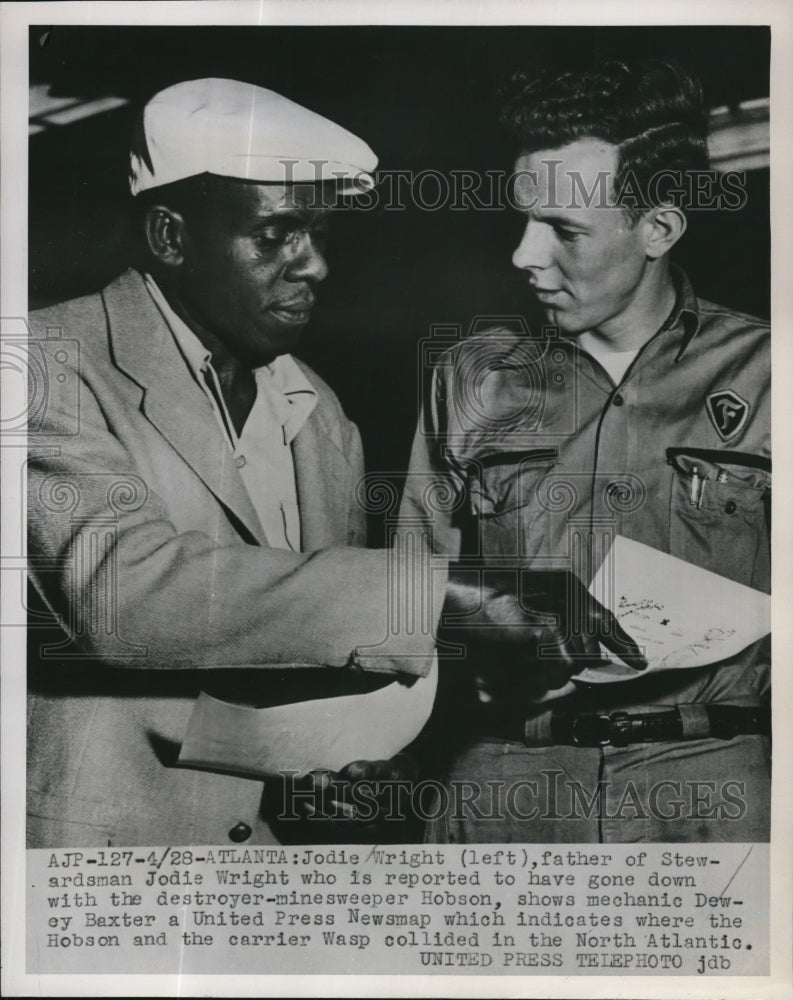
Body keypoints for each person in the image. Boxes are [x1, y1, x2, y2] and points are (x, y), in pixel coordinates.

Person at [26, 77, 639, 848]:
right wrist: (438, 596)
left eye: (319, 231)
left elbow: (306, 635)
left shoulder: (316, 409)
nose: (312, 264)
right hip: (104, 860)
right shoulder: (46, 363)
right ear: (171, 237)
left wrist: (355, 764)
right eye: (276, 232)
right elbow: (121, 595)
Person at [400, 59, 771, 842]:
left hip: (717, 790)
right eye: (523, 221)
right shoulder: (472, 378)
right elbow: (400, 591)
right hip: (502, 785)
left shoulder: (771, 373)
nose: (523, 256)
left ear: (657, 229)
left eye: (563, 230)